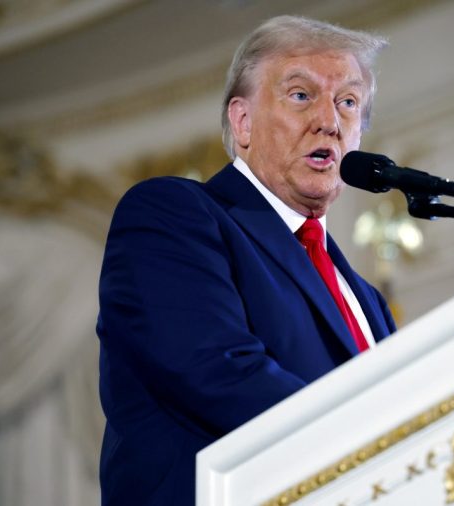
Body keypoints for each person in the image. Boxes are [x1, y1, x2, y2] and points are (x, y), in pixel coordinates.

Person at [96, 15, 395, 505]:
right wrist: (374, 443)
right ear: (242, 122)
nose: (330, 121)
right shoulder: (173, 215)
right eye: (301, 95)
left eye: (348, 102)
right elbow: (218, 371)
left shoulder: (367, 300)